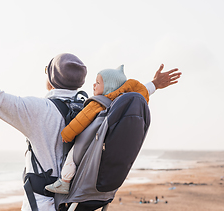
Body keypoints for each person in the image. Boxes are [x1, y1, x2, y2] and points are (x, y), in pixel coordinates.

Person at [0, 36, 181, 211]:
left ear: (50, 80)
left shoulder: (38, 111)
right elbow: (123, 97)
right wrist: (153, 85)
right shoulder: (97, 106)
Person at [45, 65, 150, 194]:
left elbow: (81, 120)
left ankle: (64, 182)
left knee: (72, 156)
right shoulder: (120, 105)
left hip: (88, 141)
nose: (94, 85)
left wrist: (67, 134)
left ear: (109, 87)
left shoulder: (98, 103)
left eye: (98, 82)